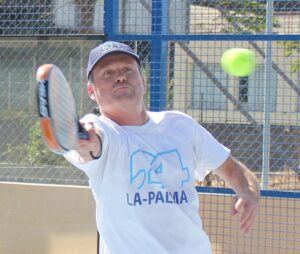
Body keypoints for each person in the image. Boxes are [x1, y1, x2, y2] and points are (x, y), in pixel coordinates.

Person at [64, 41, 260, 254]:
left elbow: (232, 168)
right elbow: (91, 145)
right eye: (108, 73)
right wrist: (86, 140)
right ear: (92, 91)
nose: (120, 77)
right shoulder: (101, 130)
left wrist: (248, 191)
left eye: (128, 70)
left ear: (143, 80)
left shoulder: (180, 125)